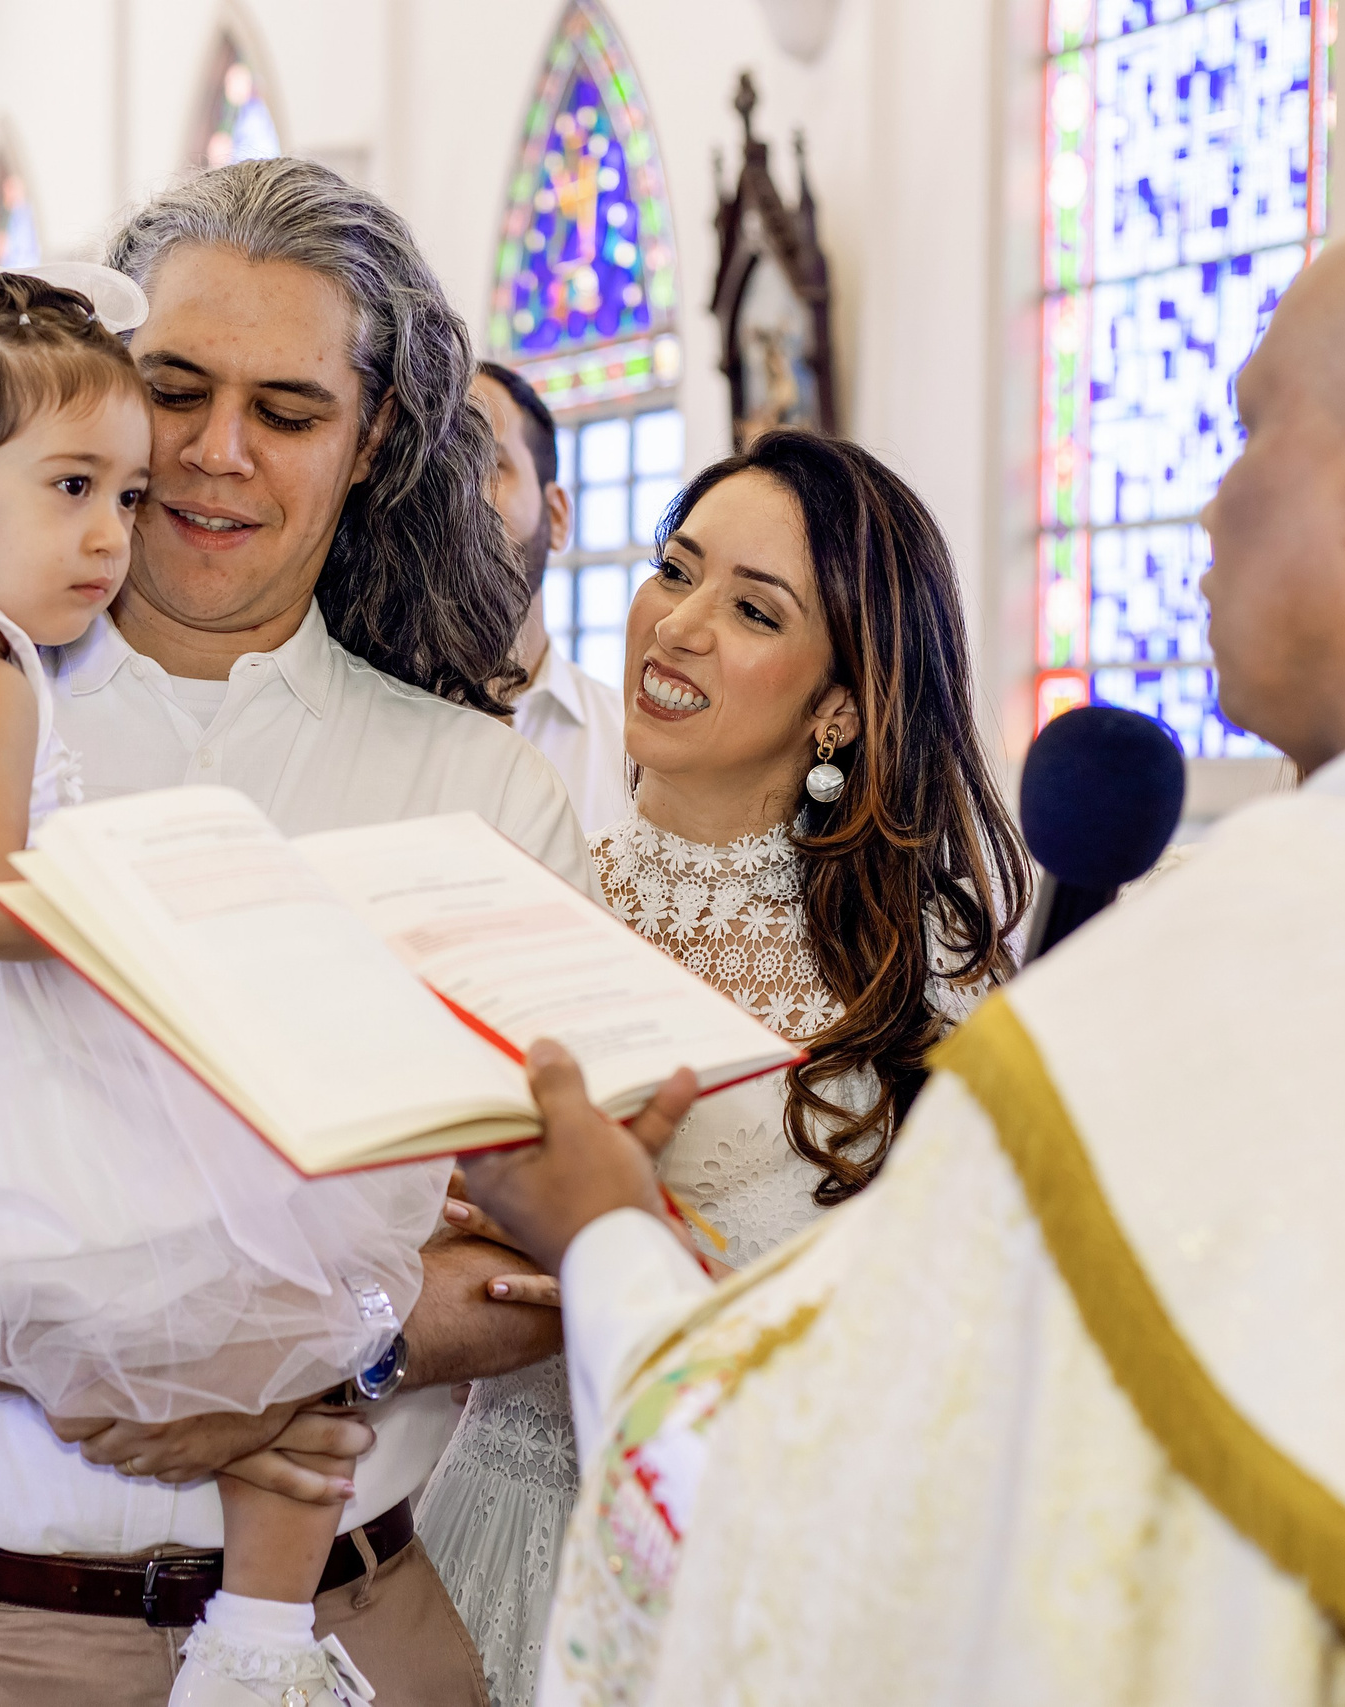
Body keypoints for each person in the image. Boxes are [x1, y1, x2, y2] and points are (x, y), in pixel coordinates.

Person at [459, 171, 1345, 1705]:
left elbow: (824, 1514)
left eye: (1245, 430)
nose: (1214, 500)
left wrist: (604, 1233)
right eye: (673, 569)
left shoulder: (1224, 989)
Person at [0, 158, 581, 1707]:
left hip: (347, 1630)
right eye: (175, 391)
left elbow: (532, 1261)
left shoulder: (481, 791)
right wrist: (111, 1376)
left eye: (286, 409)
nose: (213, 456)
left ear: (376, 434)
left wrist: (330, 1365)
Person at [415, 430, 1028, 1705]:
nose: (676, 626)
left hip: (758, 1571)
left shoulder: (920, 973)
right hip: (486, 1525)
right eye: (673, 570)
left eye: (751, 609)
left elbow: (966, 1331)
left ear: (842, 703)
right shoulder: (524, 894)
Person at [475, 362, 631, 837]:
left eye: (487, 463)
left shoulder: (631, 754)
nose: (456, 492)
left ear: (558, 516)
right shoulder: (349, 728)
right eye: (435, 465)